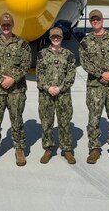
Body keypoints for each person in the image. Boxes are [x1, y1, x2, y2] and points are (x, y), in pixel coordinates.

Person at [0, 12, 31, 167]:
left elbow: (26, 64)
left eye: (8, 24)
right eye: (3, 24)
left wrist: (13, 79)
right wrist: (2, 79)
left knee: (17, 120)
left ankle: (19, 149)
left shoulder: (22, 44)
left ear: (12, 25)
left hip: (16, 90)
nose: (6, 26)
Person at [79, 9, 109, 164]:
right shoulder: (85, 42)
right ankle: (94, 149)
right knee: (94, 118)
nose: (95, 21)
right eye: (93, 19)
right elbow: (85, 63)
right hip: (95, 86)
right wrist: (102, 74)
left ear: (102, 20)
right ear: (90, 21)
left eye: (97, 19)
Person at [36, 26, 77, 164]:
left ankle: (67, 150)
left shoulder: (69, 55)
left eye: (58, 36)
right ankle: (48, 149)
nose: (55, 38)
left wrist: (60, 88)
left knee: (64, 122)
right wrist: (48, 88)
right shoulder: (42, 54)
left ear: (62, 38)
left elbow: (71, 75)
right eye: (53, 36)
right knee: (46, 122)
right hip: (46, 94)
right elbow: (39, 74)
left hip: (63, 94)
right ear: (50, 38)